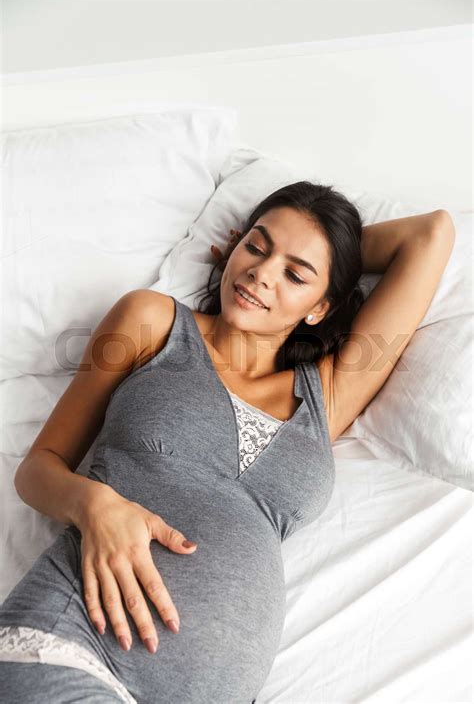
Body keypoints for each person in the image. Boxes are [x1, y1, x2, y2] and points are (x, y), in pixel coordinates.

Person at [0, 181, 455, 703]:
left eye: (294, 274)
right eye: (256, 248)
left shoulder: (326, 395)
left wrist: (336, 251)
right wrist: (93, 504)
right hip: (74, 647)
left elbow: (430, 234)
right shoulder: (152, 323)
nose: (261, 273)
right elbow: (37, 468)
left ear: (320, 306)